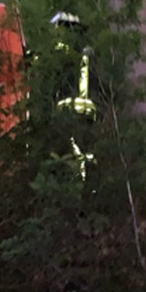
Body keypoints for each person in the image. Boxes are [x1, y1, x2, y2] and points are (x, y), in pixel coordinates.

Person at [50, 11, 97, 179]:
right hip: (89, 109)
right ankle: (89, 183)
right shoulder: (88, 52)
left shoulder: (60, 52)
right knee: (86, 151)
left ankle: (76, 182)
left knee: (68, 152)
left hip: (68, 108)